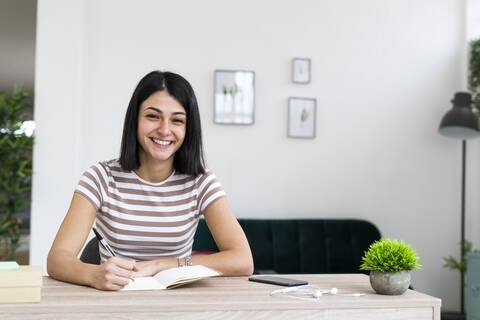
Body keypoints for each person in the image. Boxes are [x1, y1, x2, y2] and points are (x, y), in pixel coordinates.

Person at [47, 71, 254, 290]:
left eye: (177, 120)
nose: (165, 130)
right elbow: (57, 259)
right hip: (115, 301)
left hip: (178, 303)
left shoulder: (200, 182)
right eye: (153, 116)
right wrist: (94, 274)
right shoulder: (101, 177)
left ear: (188, 128)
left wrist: (161, 266)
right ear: (135, 119)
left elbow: (242, 260)